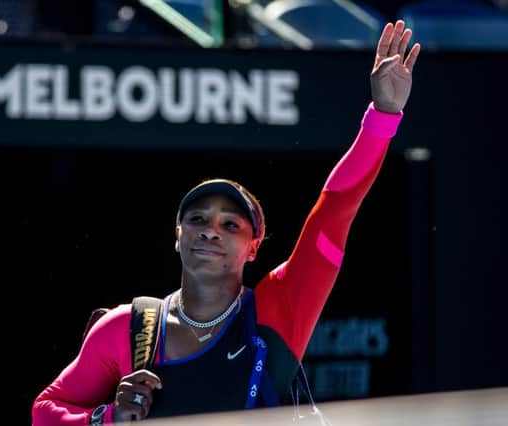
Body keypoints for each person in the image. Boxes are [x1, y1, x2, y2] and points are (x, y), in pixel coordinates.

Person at [32, 20, 421, 425]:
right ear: (178, 237)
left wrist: (383, 115)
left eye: (231, 225)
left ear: (255, 246)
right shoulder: (126, 328)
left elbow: (334, 211)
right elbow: (43, 412)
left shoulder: (278, 308)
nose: (211, 230)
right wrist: (104, 418)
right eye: (197, 219)